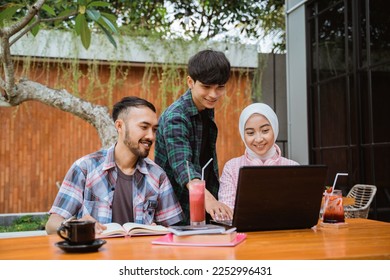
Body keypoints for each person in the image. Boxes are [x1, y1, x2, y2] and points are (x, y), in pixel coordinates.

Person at [45, 96, 184, 234]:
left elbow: (172, 230)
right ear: (119, 126)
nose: (151, 136)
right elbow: (52, 225)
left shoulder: (158, 175)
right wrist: (77, 227)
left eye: (154, 129)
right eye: (144, 127)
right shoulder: (85, 168)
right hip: (96, 254)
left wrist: (159, 230)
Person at [154, 49, 233, 225]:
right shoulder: (176, 117)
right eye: (206, 87)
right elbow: (184, 166)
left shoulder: (205, 107)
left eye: (220, 87)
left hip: (200, 207)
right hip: (175, 210)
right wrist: (210, 201)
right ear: (190, 82)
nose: (213, 94)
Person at [218, 103, 299, 212]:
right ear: (243, 134)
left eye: (265, 131)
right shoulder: (231, 168)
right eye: (250, 133)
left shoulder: (293, 167)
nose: (259, 139)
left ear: (275, 129)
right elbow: (227, 212)